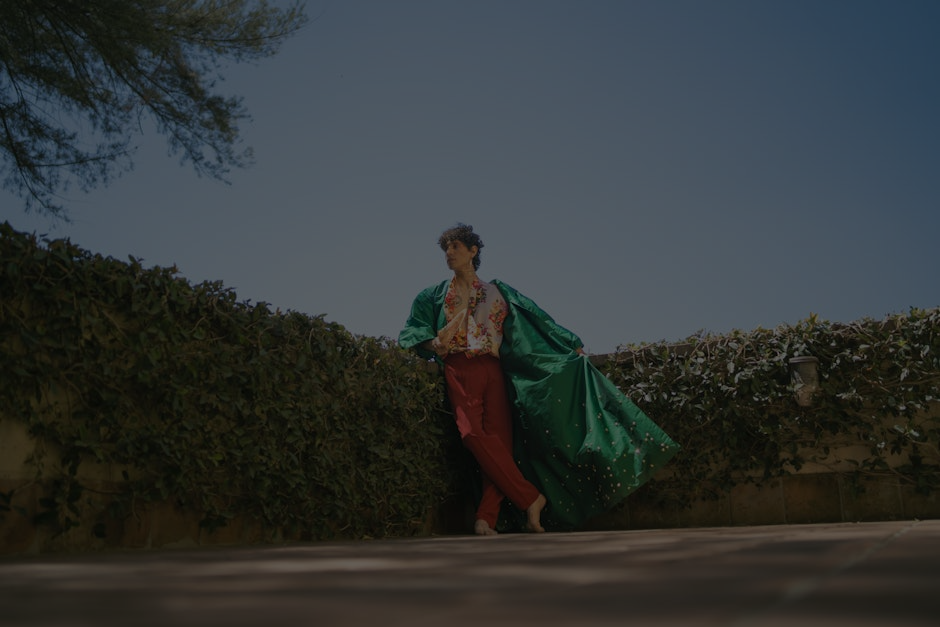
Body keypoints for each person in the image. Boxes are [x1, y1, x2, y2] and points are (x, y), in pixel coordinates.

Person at [399, 224, 679, 534]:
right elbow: (413, 330)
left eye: (455, 247)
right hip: (458, 367)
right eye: (446, 249)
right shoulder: (433, 295)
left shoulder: (498, 292)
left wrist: (569, 343)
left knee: (500, 445)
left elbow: (537, 318)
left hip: (495, 370)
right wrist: (432, 344)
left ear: (472, 251)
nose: (448, 254)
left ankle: (485, 519)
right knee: (472, 436)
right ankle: (530, 498)